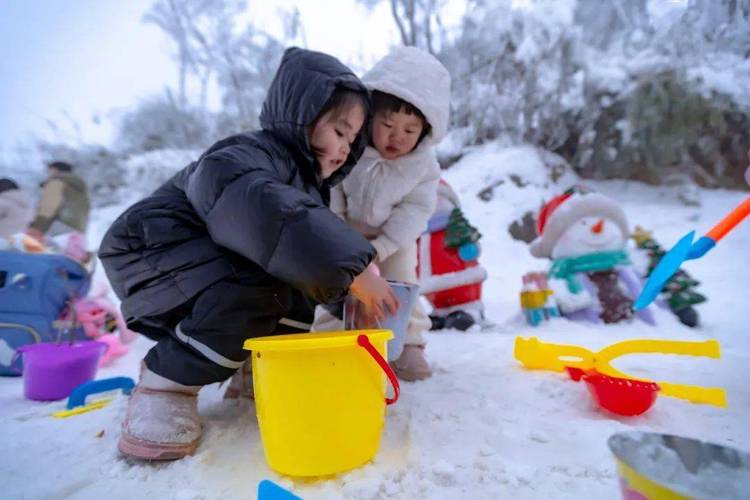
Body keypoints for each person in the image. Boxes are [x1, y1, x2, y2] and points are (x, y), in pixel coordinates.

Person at [98, 47, 398, 461]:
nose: (346, 147)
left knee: (294, 284)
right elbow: (261, 208)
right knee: (258, 285)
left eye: (353, 139)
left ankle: (261, 365)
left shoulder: (306, 186)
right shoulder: (250, 154)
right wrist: (354, 266)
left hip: (196, 260)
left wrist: (346, 288)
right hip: (152, 247)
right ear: (301, 115)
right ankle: (165, 382)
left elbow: (297, 237)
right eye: (339, 130)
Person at [311, 46, 451, 381]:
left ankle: (408, 344)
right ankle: (329, 341)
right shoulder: (353, 149)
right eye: (387, 124)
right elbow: (334, 185)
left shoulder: (422, 166)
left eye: (409, 130)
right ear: (369, 117)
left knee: (401, 281)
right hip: (346, 231)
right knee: (337, 283)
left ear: (426, 130)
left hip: (395, 237)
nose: (396, 137)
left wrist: (385, 246)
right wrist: (341, 234)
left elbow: (417, 207)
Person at [27, 161, 90, 241]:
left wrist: (37, 227)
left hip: (56, 230)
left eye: (50, 170)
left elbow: (48, 207)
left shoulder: (56, 182)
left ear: (56, 170)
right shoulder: (79, 190)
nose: (48, 173)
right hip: (77, 232)